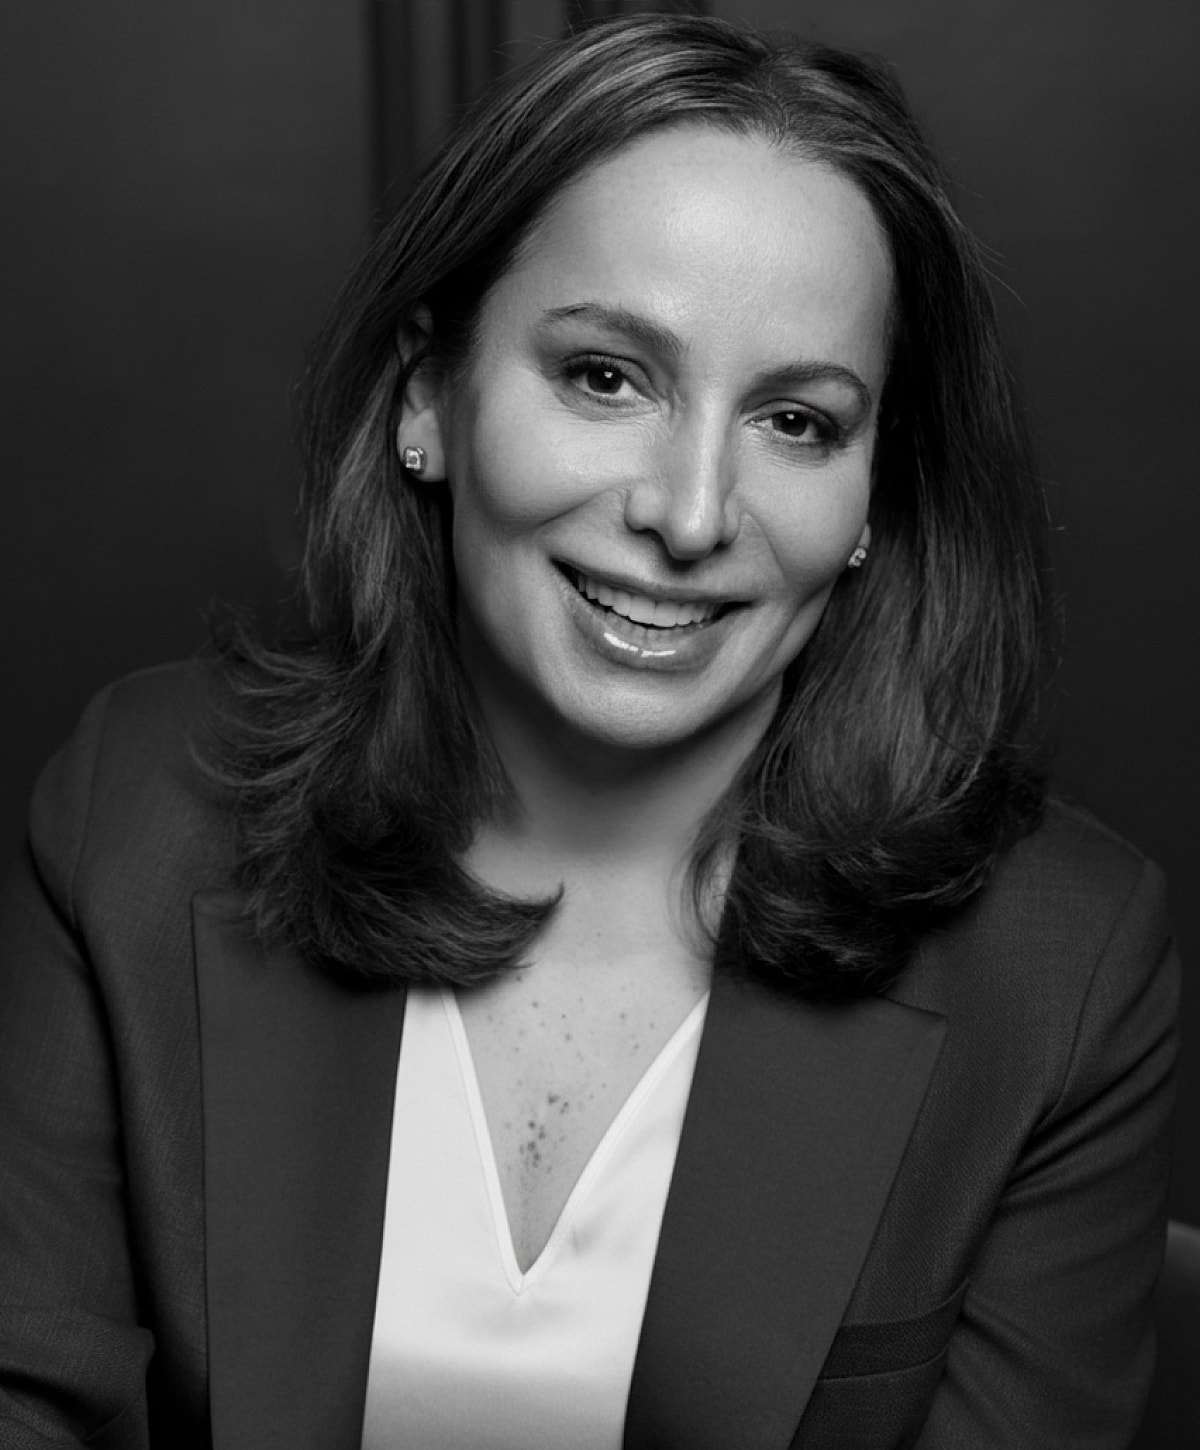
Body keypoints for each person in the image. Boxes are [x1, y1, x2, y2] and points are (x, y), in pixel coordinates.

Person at [0, 13, 1179, 1449]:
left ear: (878, 499)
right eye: (605, 376)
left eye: (797, 421)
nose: (688, 514)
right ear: (431, 392)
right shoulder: (136, 806)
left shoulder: (1067, 964)